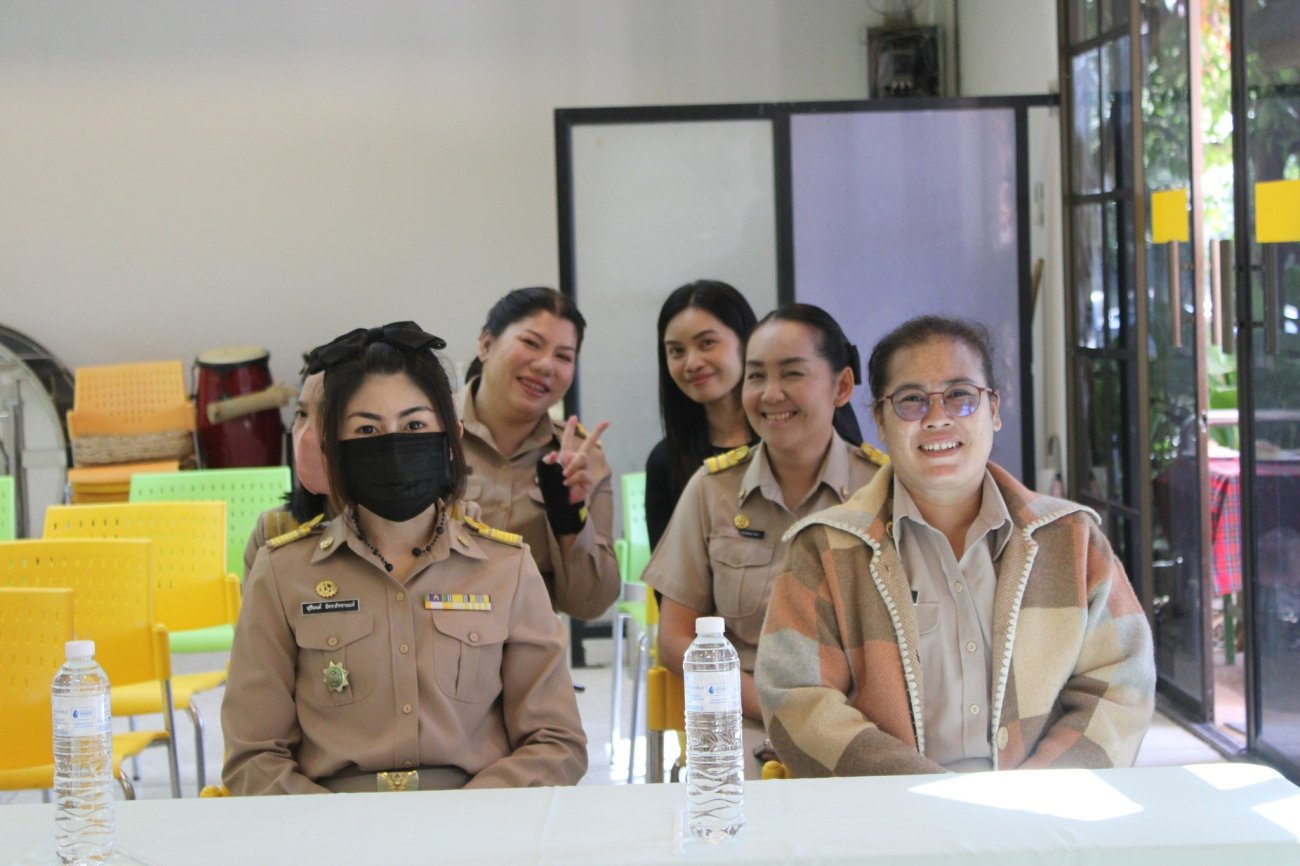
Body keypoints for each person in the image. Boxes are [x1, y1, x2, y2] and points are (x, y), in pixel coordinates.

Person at [756, 315, 1155, 776]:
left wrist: (1033, 796)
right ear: (880, 421)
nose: (937, 417)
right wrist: (930, 797)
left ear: (994, 410)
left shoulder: (1071, 539)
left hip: (1041, 809)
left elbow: (1121, 687)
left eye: (961, 396)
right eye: (911, 400)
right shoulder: (823, 549)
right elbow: (797, 701)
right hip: (890, 810)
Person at [222, 321, 588, 794]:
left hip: (477, 815)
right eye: (367, 429)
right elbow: (253, 754)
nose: (393, 445)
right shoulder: (282, 573)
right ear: (335, 449)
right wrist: (330, 826)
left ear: (451, 439)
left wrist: (468, 817)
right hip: (329, 820)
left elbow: (556, 742)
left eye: (414, 426)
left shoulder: (507, 569)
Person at [642, 303, 885, 778]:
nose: (771, 394)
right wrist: (779, 713)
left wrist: (825, 728)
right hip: (745, 719)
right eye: (756, 376)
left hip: (863, 721)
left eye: (792, 373)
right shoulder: (711, 490)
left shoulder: (882, 493)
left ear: (841, 387)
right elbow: (675, 639)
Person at [460, 287, 618, 621]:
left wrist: (569, 516)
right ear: (486, 344)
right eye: (531, 343)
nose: (546, 365)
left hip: (529, 648)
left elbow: (589, 604)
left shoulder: (582, 460)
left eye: (564, 356)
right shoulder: (424, 432)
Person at [645, 280, 757, 550]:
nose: (692, 363)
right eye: (676, 351)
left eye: (707, 343)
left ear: (746, 341)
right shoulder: (665, 461)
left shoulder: (787, 441)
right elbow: (667, 571)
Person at [242, 363, 330, 576]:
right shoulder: (273, 529)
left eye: (327, 417)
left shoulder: (400, 534)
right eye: (301, 413)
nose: (307, 433)